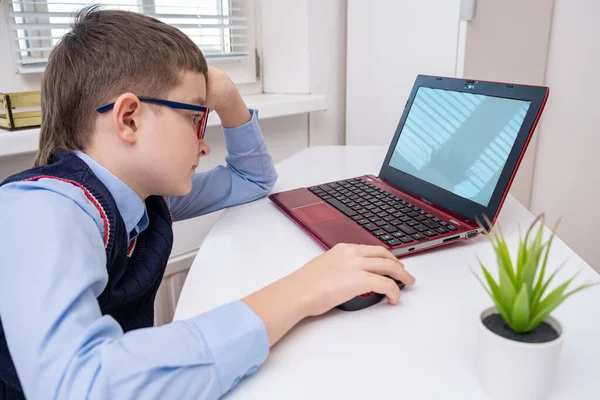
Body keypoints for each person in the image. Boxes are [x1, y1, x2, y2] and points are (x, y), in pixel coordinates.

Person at [0, 7, 415, 400]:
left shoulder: (141, 201)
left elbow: (251, 180)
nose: (203, 144)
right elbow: (79, 387)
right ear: (128, 119)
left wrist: (228, 96)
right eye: (196, 118)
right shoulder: (42, 209)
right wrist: (302, 289)